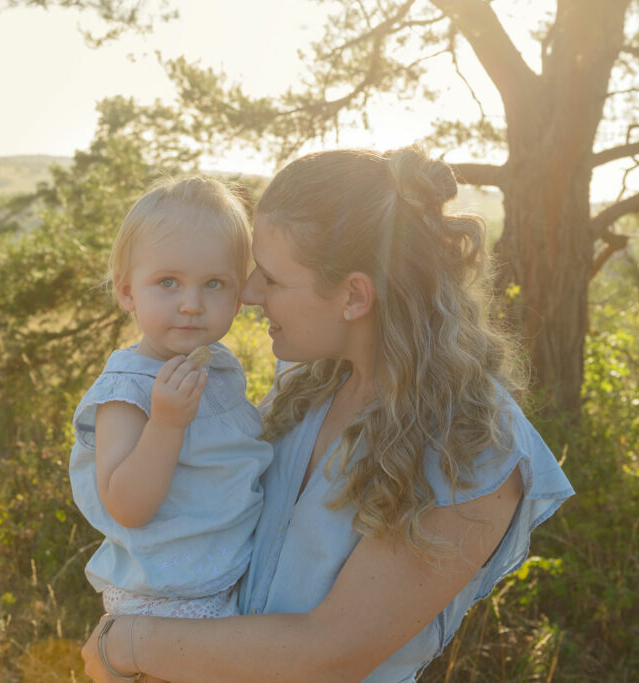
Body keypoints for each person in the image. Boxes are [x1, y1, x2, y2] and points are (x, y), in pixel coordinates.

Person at [80, 148, 575, 682]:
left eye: (271, 278)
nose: (247, 294)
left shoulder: (473, 446)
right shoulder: (308, 387)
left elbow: (330, 654)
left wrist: (126, 643)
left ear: (353, 296)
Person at [68, 177, 275, 630]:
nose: (191, 304)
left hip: (226, 579)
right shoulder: (128, 391)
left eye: (214, 283)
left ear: (239, 296)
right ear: (128, 293)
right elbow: (126, 504)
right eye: (167, 282)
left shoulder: (216, 366)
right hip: (166, 597)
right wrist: (165, 425)